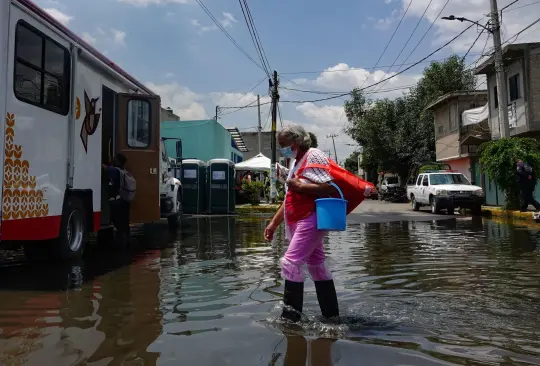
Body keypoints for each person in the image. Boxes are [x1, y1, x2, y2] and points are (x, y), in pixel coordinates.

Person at [264, 124, 339, 322]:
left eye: (284, 145)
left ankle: (291, 320)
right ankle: (331, 317)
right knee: (316, 265)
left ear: (296, 141)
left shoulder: (313, 155)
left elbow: (328, 187)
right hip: (300, 219)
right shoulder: (295, 163)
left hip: (311, 217)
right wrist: (273, 224)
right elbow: (288, 199)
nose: (282, 149)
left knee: (291, 263)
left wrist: (299, 185)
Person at [103, 153, 131, 245]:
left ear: (118, 161)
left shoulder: (113, 170)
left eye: (115, 158)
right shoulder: (123, 170)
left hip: (115, 202)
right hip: (124, 200)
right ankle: (127, 241)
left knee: (117, 223)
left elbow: (103, 167)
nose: (113, 159)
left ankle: (120, 244)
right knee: (124, 223)